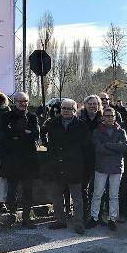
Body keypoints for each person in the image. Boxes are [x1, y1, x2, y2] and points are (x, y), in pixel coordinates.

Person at [43, 98, 90, 234]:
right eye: (64, 108)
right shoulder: (53, 123)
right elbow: (42, 132)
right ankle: (60, 221)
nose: (66, 111)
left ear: (75, 111)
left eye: (70, 109)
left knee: (77, 198)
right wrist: (47, 145)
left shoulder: (81, 125)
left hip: (74, 165)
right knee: (57, 196)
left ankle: (78, 223)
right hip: (56, 165)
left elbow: (86, 145)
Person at [0, 92, 40, 228]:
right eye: (20, 101)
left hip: (28, 160)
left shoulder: (32, 117)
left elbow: (35, 134)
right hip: (12, 159)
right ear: (14, 102)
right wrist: (23, 134)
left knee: (28, 189)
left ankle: (26, 218)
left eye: (25, 101)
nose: (23, 104)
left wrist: (17, 134)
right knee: (12, 190)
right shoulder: (6, 116)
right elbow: (5, 135)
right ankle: (12, 215)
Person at [86, 107, 127, 231]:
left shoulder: (121, 131)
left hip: (116, 167)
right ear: (103, 117)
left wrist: (108, 145)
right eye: (107, 115)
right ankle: (94, 217)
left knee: (114, 195)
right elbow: (98, 148)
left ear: (115, 117)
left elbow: (124, 147)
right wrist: (115, 149)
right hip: (101, 166)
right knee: (97, 193)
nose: (109, 118)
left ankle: (112, 219)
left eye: (112, 116)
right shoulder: (97, 132)